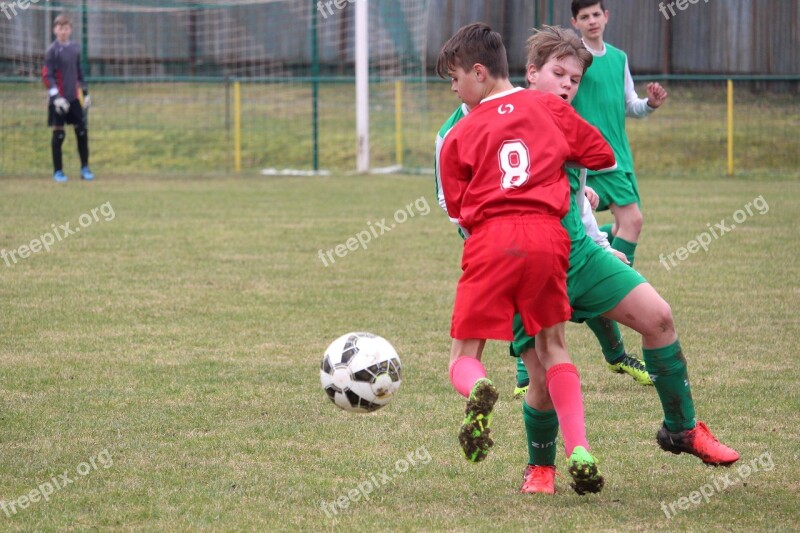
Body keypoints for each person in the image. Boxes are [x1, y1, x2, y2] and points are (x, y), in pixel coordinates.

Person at [517, 26, 739, 493]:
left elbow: (580, 188)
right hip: (529, 265)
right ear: (531, 73)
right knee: (541, 375)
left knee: (659, 318)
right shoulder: (505, 120)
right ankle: (542, 468)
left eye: (574, 79)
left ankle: (681, 430)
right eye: (558, 73)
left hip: (580, 254)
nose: (566, 85)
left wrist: (587, 205)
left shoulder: (574, 124)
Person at [436, 22, 616, 495]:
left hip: (491, 239)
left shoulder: (462, 130)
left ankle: (477, 389)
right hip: (547, 238)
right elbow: (603, 156)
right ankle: (579, 447)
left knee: (463, 354)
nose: (454, 89)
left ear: (478, 73)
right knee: (553, 347)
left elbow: (456, 209)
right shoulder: (548, 108)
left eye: (455, 79)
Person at [569, 0, 668, 377]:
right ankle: (609, 285)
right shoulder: (576, 60)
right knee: (623, 223)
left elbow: (629, 105)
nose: (593, 21)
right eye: (585, 16)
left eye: (597, 14)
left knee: (624, 225)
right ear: (575, 22)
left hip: (617, 160)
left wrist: (650, 104)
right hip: (585, 159)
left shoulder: (619, 57)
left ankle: (604, 282)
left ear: (606, 17)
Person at [42, 13, 94, 183]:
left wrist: (85, 94)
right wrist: (56, 97)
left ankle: (85, 168)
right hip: (58, 101)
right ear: (54, 30)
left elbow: (79, 73)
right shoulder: (52, 51)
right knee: (59, 135)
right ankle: (58, 171)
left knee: (81, 131)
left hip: (73, 98)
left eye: (66, 28)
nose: (63, 31)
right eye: (60, 28)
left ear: (70, 30)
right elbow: (47, 76)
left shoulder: (76, 49)